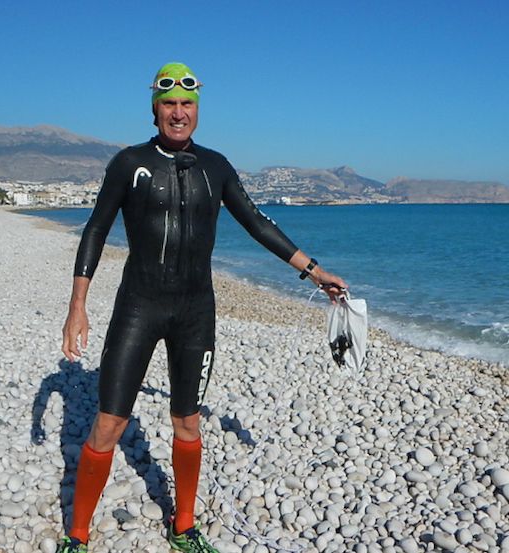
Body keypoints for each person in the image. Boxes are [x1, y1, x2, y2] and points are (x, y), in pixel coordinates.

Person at [58, 62, 347, 553]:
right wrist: (77, 306)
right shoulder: (128, 163)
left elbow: (256, 223)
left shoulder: (216, 166)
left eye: (186, 104)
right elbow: (95, 229)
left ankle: (184, 527)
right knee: (110, 421)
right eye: (169, 104)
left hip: (196, 310)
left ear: (196, 111)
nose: (178, 113)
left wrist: (314, 271)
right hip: (138, 307)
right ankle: (78, 534)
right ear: (155, 110)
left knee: (187, 420)